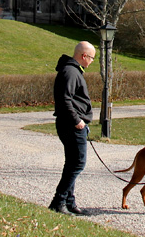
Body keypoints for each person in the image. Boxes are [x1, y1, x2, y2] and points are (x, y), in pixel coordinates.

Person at [49, 41, 96, 215]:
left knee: (72, 163)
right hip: (71, 125)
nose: (91, 61)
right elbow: (64, 100)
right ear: (84, 56)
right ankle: (58, 201)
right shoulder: (70, 72)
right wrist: (77, 120)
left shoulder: (73, 70)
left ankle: (69, 202)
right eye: (91, 58)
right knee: (77, 163)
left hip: (72, 124)